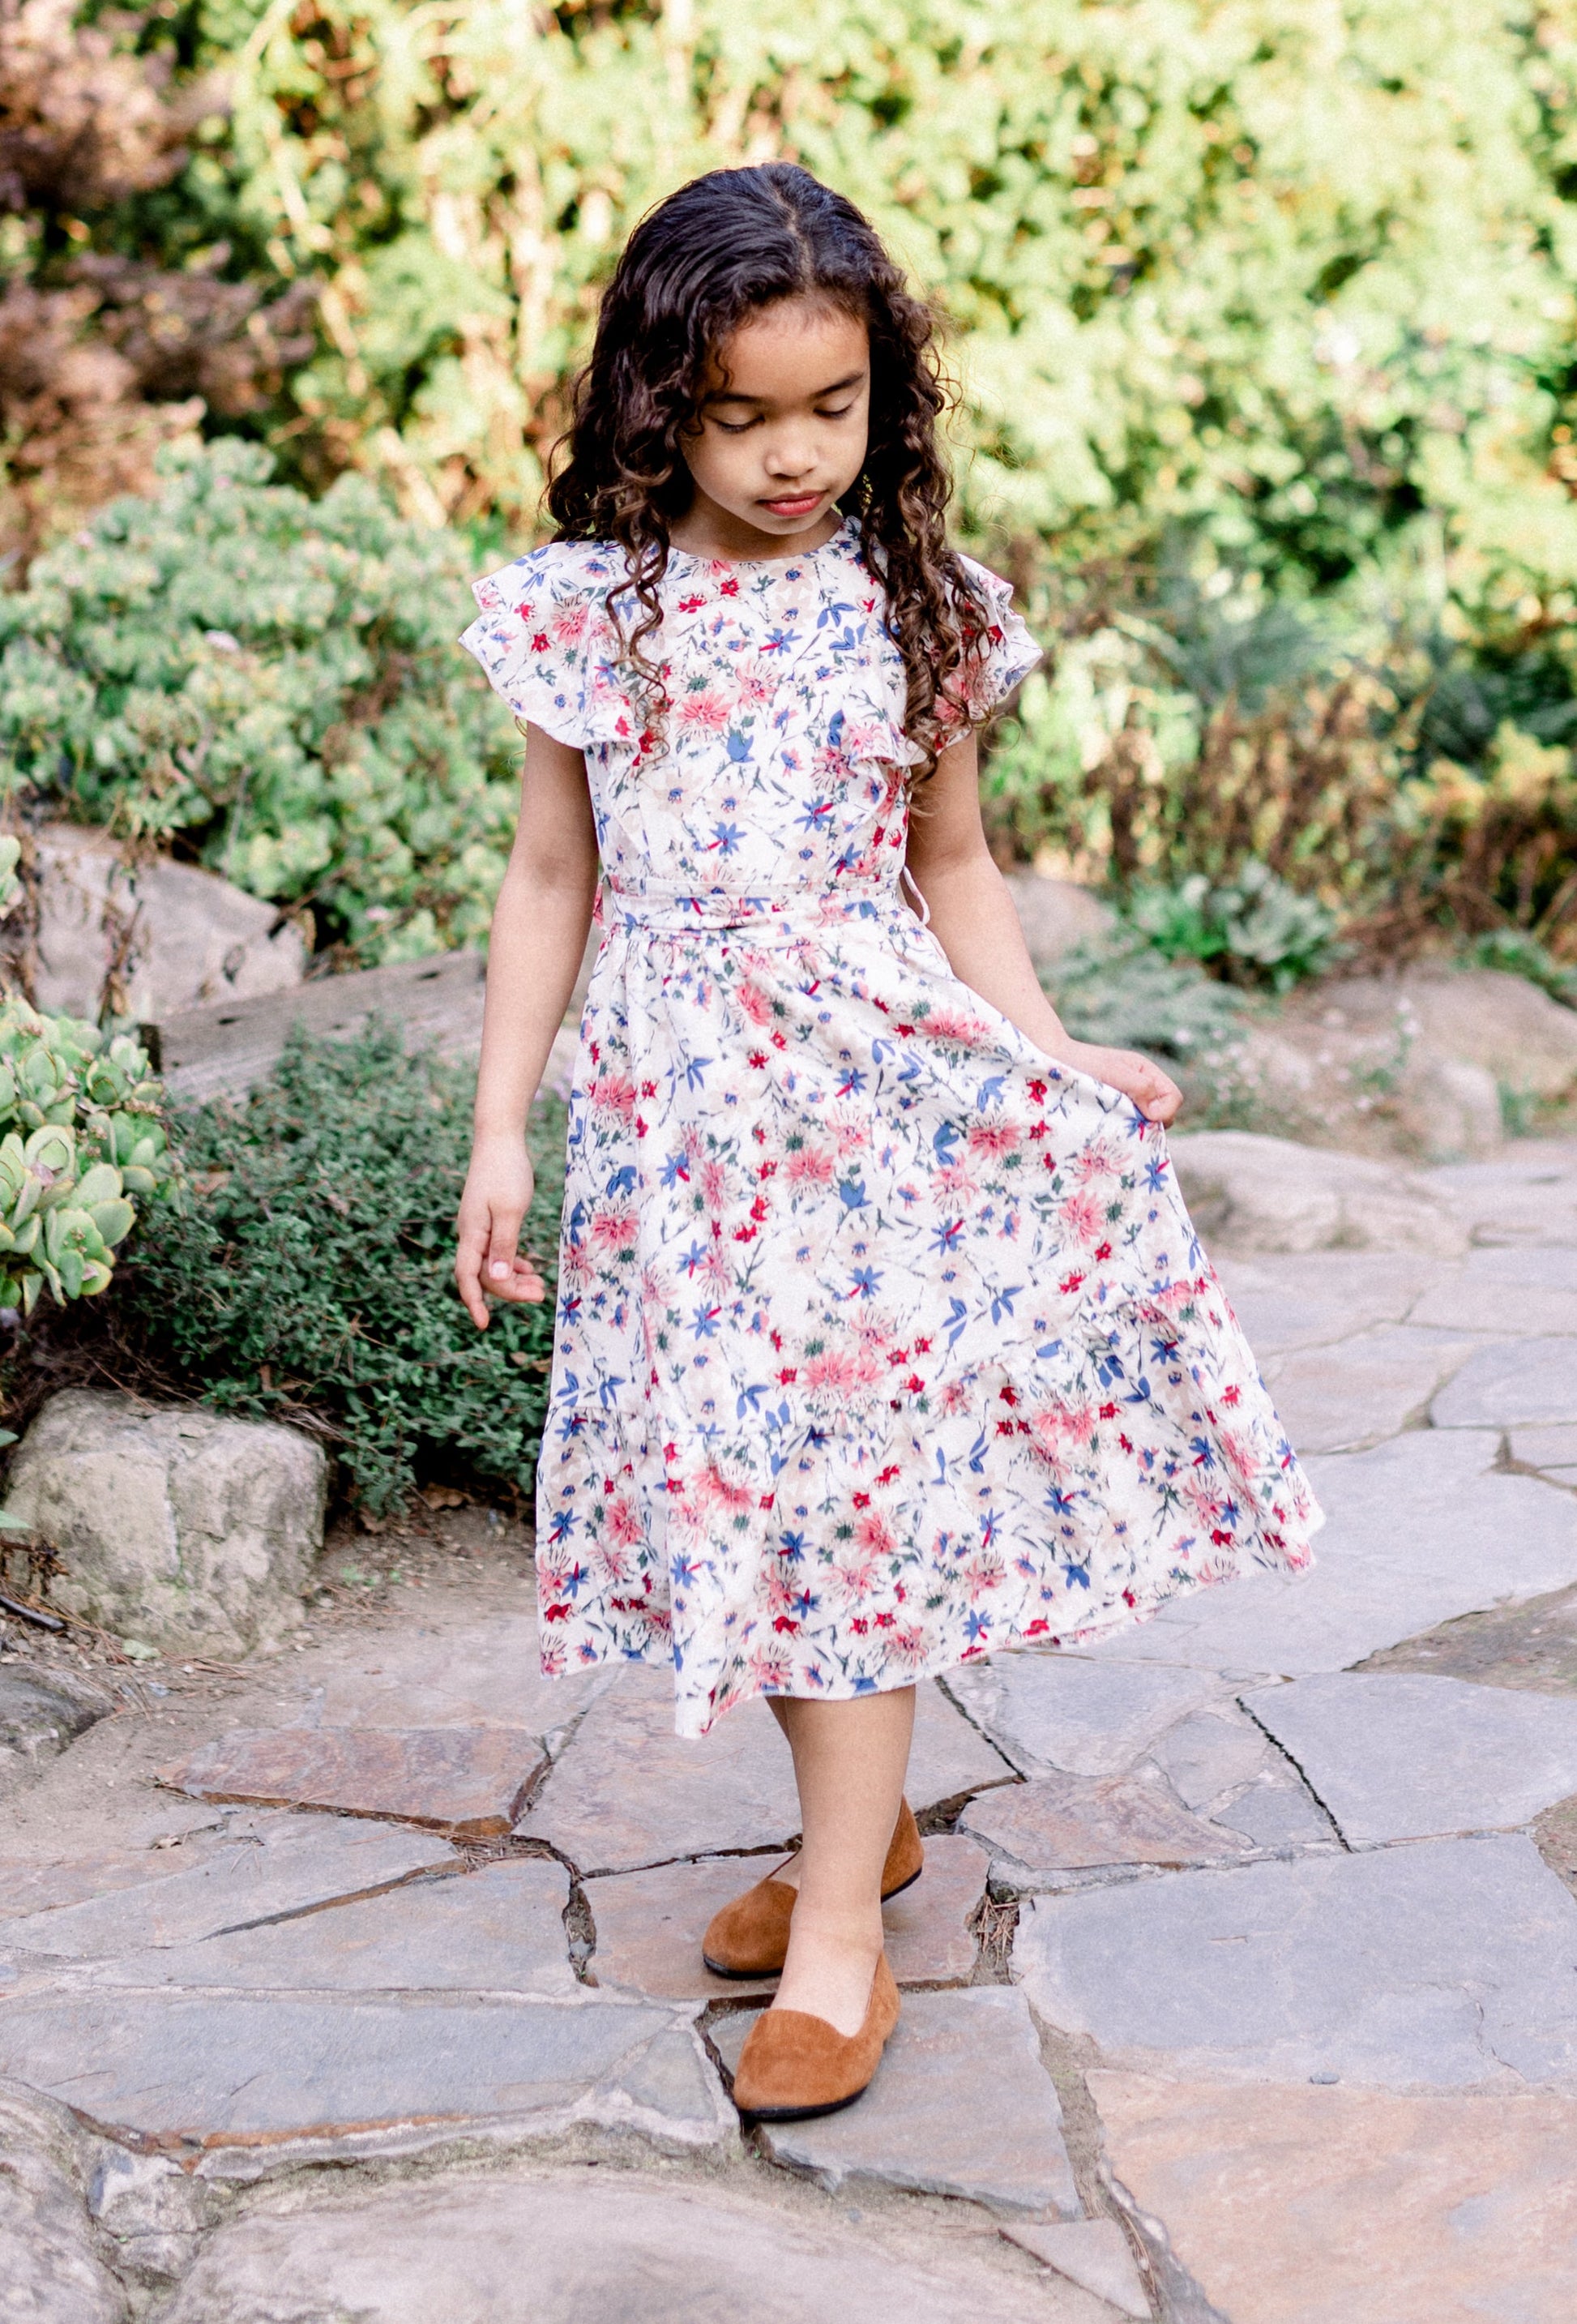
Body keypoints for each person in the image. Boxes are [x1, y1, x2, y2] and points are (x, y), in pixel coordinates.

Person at [455, 162, 1321, 2124]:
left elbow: (955, 868)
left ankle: (843, 1927)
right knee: (738, 1498)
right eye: (741, 413)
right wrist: (504, 1129)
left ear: (884, 393)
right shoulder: (596, 617)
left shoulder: (917, 610)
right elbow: (543, 874)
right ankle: (864, 1838)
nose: (788, 455)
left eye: (828, 409)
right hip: (682, 1122)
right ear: (656, 399)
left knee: (842, 1500)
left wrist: (1052, 1052)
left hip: (875, 1116)